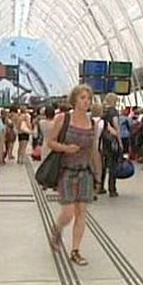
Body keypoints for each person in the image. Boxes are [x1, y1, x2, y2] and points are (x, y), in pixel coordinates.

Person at [48, 85, 102, 266]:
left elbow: (93, 150)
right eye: (82, 98)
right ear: (74, 100)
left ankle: (75, 250)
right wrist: (66, 148)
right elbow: (51, 142)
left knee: (81, 212)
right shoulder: (63, 119)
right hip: (66, 171)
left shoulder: (92, 123)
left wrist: (98, 174)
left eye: (88, 98)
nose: (86, 101)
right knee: (68, 212)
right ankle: (57, 228)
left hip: (85, 171)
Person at [99, 93, 122, 197]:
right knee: (112, 164)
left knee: (102, 164)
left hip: (102, 140)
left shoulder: (103, 111)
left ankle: (100, 186)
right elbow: (116, 126)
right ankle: (112, 189)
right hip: (111, 141)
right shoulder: (113, 112)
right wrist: (120, 142)